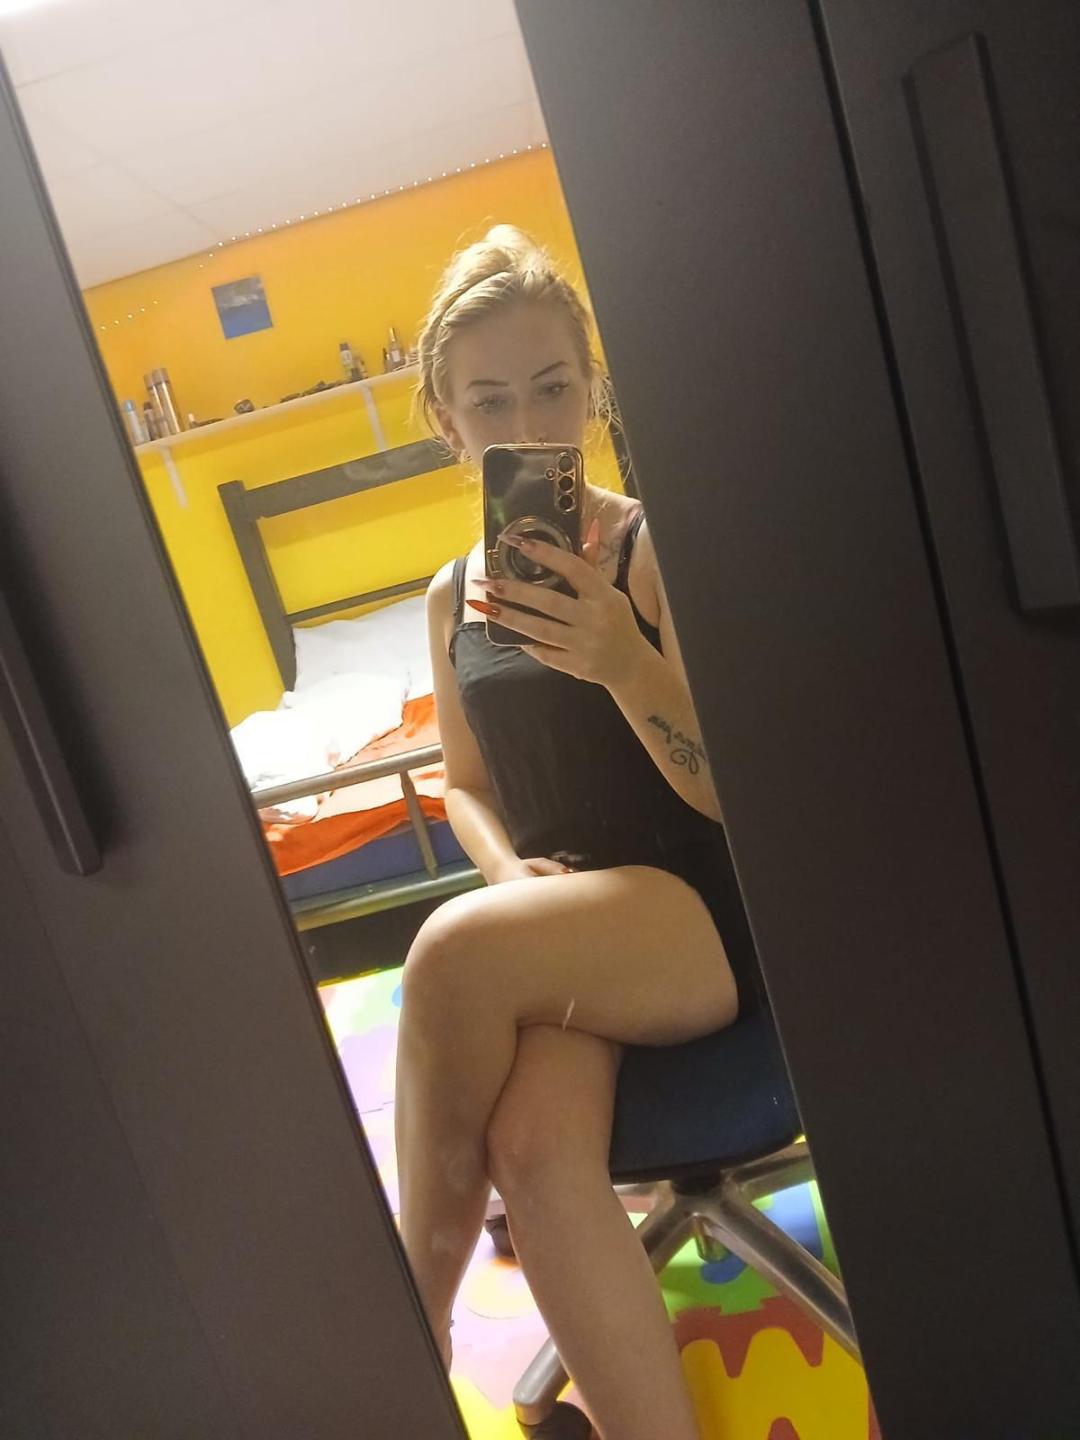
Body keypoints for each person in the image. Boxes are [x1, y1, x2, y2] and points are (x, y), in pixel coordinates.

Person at [395, 225, 761, 1440]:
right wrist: (508, 877)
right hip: (557, 933)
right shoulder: (449, 598)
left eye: (554, 387)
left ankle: (404, 1334)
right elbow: (463, 784)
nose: (531, 423)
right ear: (448, 423)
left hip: (697, 916)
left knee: (447, 951)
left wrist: (623, 661)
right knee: (532, 1145)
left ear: (594, 390)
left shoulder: (655, 547)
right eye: (491, 401)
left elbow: (731, 797)